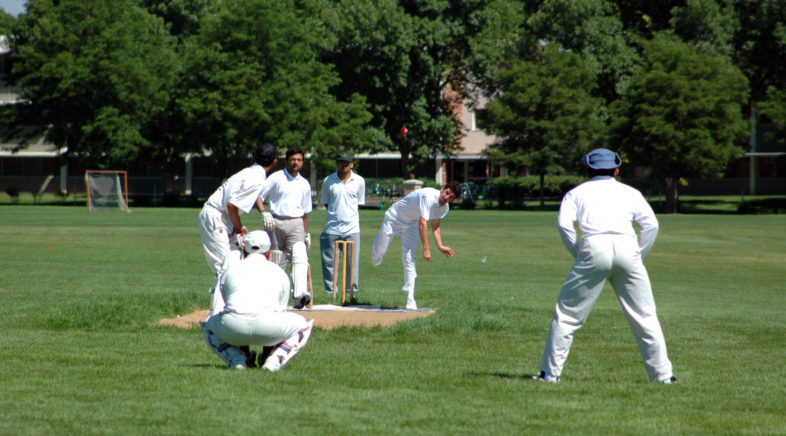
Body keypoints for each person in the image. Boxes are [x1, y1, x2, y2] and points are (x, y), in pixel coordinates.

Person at [533, 148, 676, 384]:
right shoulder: (631, 192)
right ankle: (663, 377)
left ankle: (550, 374)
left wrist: (578, 253)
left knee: (567, 315)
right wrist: (639, 256)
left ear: (588, 170)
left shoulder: (575, 193)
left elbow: (564, 225)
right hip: (628, 247)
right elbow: (651, 225)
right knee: (645, 316)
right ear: (616, 170)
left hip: (592, 247)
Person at [201, 230, 315, 371]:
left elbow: (229, 306)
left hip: (234, 327)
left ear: (244, 249)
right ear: (268, 252)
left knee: (208, 326)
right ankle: (272, 360)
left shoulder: (230, 270)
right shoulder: (279, 272)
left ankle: (238, 359)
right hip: (270, 328)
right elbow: (280, 310)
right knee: (303, 325)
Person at [198, 143, 278, 314]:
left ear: (254, 158)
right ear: (275, 162)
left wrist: (258, 214)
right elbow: (232, 206)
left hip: (221, 216)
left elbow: (239, 201)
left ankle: (223, 309)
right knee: (225, 267)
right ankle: (218, 314)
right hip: (216, 216)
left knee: (232, 262)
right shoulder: (257, 178)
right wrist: (239, 227)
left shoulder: (248, 172)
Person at [371, 182, 461, 310]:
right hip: (394, 218)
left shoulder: (444, 208)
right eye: (447, 193)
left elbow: (435, 225)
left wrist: (440, 245)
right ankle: (376, 255)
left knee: (409, 258)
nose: (447, 198)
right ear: (442, 189)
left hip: (411, 224)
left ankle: (410, 298)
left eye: (451, 197)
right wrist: (426, 249)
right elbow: (423, 223)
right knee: (381, 250)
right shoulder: (428, 195)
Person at [259, 147, 313, 309]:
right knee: (277, 260)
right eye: (293, 159)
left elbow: (304, 212)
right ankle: (277, 299)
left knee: (299, 254)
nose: (295, 163)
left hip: (296, 222)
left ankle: (299, 296)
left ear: (302, 162)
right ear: (286, 161)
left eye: (299, 160)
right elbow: (259, 196)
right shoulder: (276, 177)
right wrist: (264, 213)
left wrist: (306, 232)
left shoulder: (304, 184)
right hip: (274, 221)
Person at [319, 152, 365, 299]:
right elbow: (326, 202)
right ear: (337, 163)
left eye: (347, 162)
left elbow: (358, 203)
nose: (344, 165)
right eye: (341, 162)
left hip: (352, 229)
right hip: (331, 228)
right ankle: (330, 294)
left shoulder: (359, 181)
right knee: (329, 264)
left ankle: (351, 294)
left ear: (352, 164)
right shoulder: (328, 180)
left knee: (352, 264)